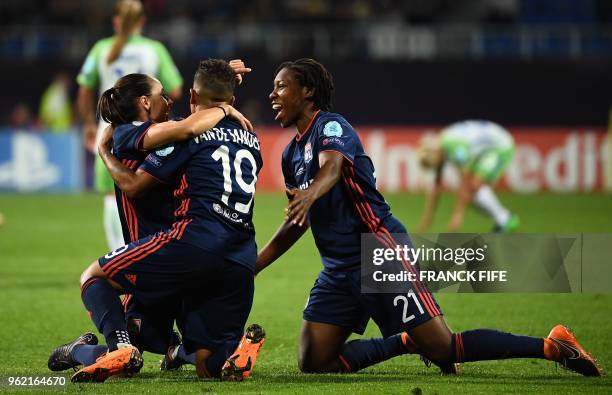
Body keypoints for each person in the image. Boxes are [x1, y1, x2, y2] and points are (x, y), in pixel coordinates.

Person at [256, 58, 602, 377]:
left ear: (308, 91)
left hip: (378, 250)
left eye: (281, 87)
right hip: (337, 267)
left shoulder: (331, 126)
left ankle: (554, 346)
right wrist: (254, 265)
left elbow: (332, 168)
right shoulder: (290, 155)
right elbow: (297, 218)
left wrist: (310, 195)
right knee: (314, 361)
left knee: (444, 348)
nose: (272, 95)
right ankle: (406, 341)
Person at [47, 70, 252, 377]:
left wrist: (222, 78)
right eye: (162, 95)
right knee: (152, 342)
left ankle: (115, 347)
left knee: (96, 281)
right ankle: (127, 349)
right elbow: (139, 179)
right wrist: (225, 106)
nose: (170, 100)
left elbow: (197, 108)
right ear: (145, 102)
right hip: (177, 255)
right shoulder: (130, 132)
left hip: (170, 254)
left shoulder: (170, 134)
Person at [76, 0, 183, 251]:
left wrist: (90, 124)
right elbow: (176, 89)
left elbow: (84, 89)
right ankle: (148, 253)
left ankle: (120, 256)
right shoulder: (154, 50)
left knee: (112, 197)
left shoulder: (101, 49)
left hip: (111, 132)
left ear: (116, 21)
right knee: (150, 190)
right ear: (142, 22)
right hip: (149, 133)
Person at [417, 120, 519, 232]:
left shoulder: (454, 147)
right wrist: (428, 218)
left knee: (474, 186)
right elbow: (437, 185)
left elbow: (465, 180)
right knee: (471, 191)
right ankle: (504, 219)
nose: (437, 166)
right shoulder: (442, 144)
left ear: (436, 154)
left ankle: (505, 219)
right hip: (486, 149)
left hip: (501, 146)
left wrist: (457, 216)